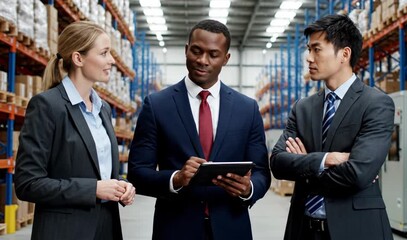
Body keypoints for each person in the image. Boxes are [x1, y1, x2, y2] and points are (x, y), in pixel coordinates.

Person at [128, 19, 271, 240]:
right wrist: (176, 178)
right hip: (175, 229)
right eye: (196, 51)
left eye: (213, 54)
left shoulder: (247, 109)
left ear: (226, 58)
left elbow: (262, 172)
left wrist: (248, 189)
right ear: (186, 51)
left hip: (231, 229)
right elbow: (138, 172)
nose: (202, 60)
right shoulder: (157, 106)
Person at [270, 14, 394, 240]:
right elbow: (278, 163)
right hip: (303, 230)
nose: (309, 58)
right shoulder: (303, 108)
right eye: (309, 50)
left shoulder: (376, 104)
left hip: (356, 230)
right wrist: (326, 159)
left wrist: (305, 166)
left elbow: (358, 174)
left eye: (317, 50)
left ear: (344, 54)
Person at [14, 21, 135, 240]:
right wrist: (94, 189)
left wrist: (121, 187)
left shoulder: (103, 109)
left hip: (106, 227)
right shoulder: (47, 106)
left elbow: (101, 173)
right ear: (78, 58)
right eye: (104, 53)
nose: (111, 61)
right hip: (65, 231)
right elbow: (27, 184)